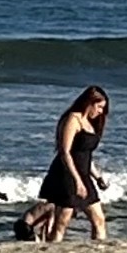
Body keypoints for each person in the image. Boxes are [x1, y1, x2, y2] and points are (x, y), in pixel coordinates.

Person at [39, 87, 111, 244]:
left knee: (99, 220)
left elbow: (85, 155)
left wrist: (97, 177)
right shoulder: (73, 119)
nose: (100, 112)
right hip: (67, 175)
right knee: (62, 223)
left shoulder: (90, 123)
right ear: (89, 103)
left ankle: (98, 252)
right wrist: (77, 181)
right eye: (99, 107)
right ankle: (51, 252)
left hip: (84, 175)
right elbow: (65, 152)